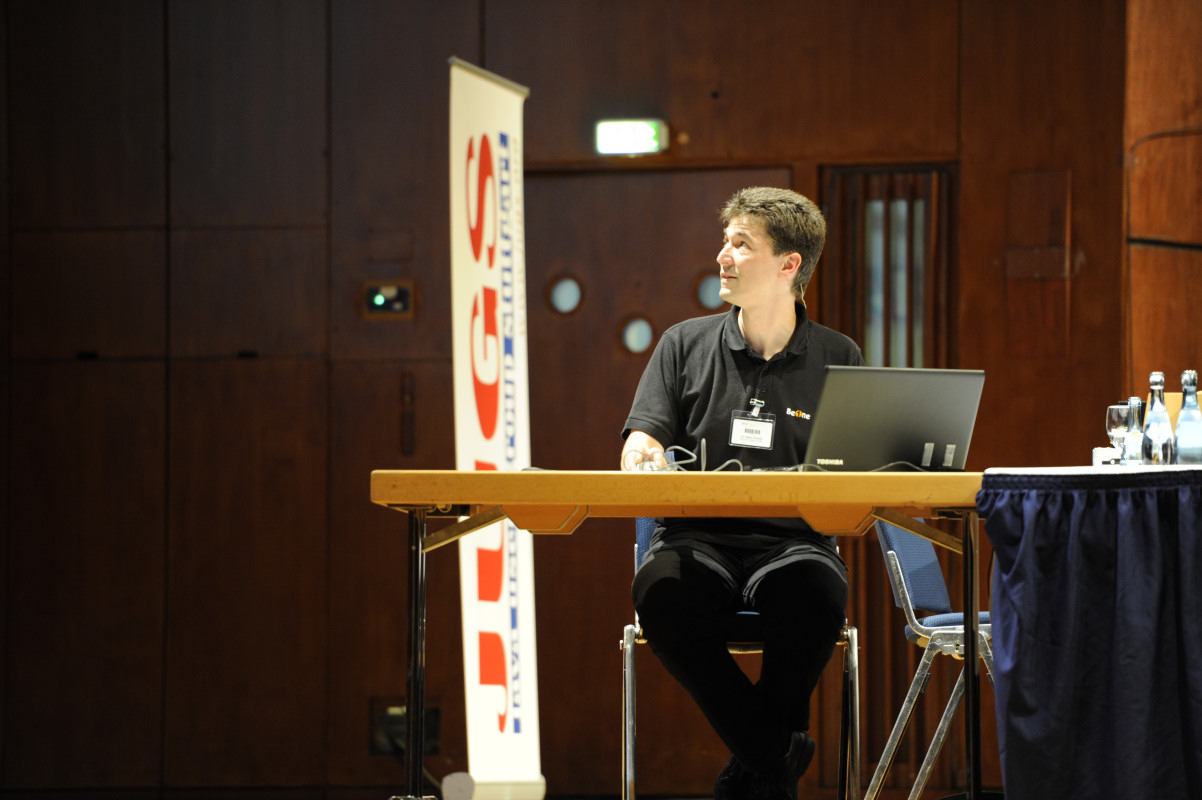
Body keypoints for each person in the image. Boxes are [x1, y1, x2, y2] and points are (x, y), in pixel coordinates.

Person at [620, 186, 864, 800]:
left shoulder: (839, 355)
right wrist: (645, 459)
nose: (721, 256)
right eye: (724, 241)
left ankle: (755, 767)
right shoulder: (682, 343)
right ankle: (776, 753)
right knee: (663, 596)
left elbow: (855, 476)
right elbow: (641, 441)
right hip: (696, 538)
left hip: (795, 543)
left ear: (788, 264)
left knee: (814, 598)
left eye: (740, 244)